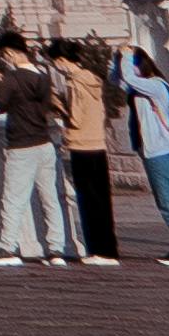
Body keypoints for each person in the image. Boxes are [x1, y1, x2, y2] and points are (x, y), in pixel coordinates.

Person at [0, 35, 81, 265]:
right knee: (50, 197)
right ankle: (56, 249)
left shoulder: (12, 77)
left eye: (4, 55)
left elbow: (0, 106)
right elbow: (44, 104)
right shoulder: (43, 75)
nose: (4, 59)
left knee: (13, 199)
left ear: (10, 53)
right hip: (44, 142)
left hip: (21, 144)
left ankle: (8, 247)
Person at [118, 38, 169, 265]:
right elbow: (119, 82)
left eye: (129, 64)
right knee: (165, 199)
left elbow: (128, 78)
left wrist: (126, 55)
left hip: (160, 150)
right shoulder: (140, 89)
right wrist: (117, 60)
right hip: (152, 150)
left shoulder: (154, 85)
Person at [52, 38, 117, 265]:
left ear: (62, 60)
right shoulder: (93, 79)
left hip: (80, 144)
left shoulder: (74, 83)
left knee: (88, 200)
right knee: (102, 199)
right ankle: (108, 249)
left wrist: (57, 104)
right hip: (97, 142)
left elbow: (75, 118)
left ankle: (97, 250)